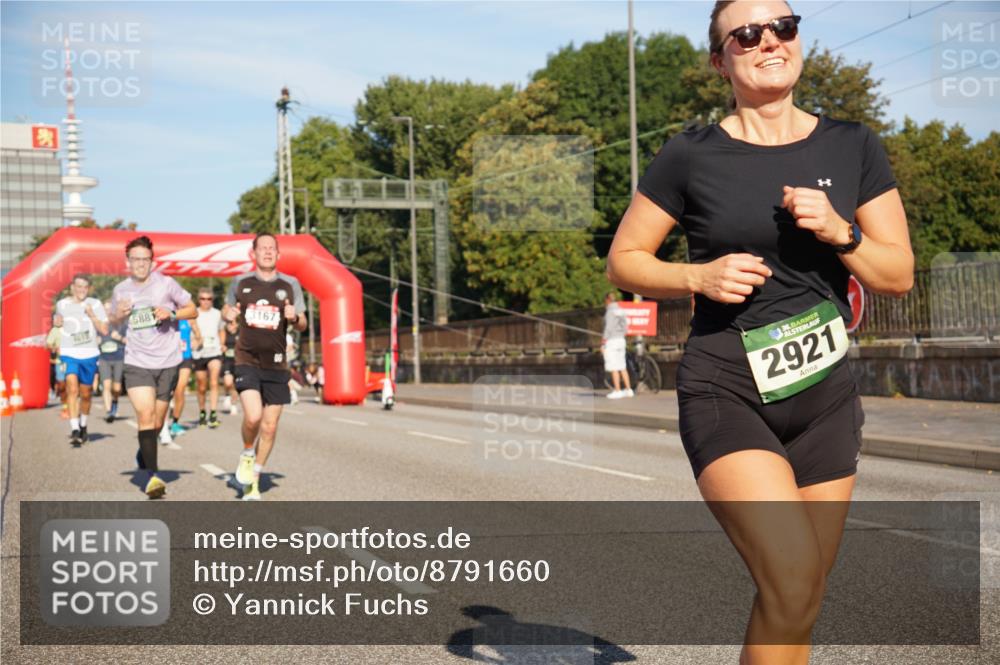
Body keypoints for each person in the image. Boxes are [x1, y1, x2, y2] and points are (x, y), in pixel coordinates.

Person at [606, 3, 913, 663]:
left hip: (826, 395)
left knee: (798, 596)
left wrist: (843, 233)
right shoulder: (690, 154)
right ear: (721, 60)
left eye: (784, 25)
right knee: (793, 576)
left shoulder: (852, 144)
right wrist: (699, 276)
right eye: (746, 34)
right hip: (729, 388)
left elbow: (898, 273)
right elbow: (624, 259)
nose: (769, 40)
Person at [109, 236, 196, 499]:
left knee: (157, 422)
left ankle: (143, 452)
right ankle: (152, 477)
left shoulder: (166, 284)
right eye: (135, 259)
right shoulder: (121, 290)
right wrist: (119, 315)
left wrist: (172, 314)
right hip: (137, 362)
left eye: (144, 259)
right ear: (128, 262)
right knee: (145, 416)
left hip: (168, 361)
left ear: (152, 261)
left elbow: (192, 310)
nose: (140, 264)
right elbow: (111, 324)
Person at [223, 233, 307, 501]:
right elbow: (227, 312)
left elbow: (303, 322)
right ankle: (248, 451)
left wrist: (296, 319)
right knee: (253, 417)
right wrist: (228, 315)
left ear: (278, 254)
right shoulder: (240, 282)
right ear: (254, 253)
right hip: (247, 359)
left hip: (278, 365)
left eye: (272, 248)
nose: (268, 252)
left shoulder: (290, 284)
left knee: (270, 427)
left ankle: (253, 479)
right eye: (263, 248)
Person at [53, 274, 109, 445]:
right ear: (72, 287)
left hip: (89, 354)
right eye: (78, 286)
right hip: (69, 352)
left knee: (86, 394)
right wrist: (56, 322)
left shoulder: (96, 304)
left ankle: (83, 425)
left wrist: (92, 315)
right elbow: (57, 323)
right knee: (72, 388)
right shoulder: (62, 304)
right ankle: (74, 428)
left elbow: (104, 330)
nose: (82, 290)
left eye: (85, 287)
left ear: (89, 288)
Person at [191, 287, 224, 428]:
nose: (206, 301)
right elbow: (188, 330)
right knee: (201, 386)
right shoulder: (193, 313)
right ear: (199, 300)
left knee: (214, 381)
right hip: (198, 353)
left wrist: (222, 344)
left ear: (212, 300)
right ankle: (203, 411)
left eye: (209, 299)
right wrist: (194, 341)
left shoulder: (217, 314)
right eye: (203, 299)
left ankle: (214, 413)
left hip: (214, 351)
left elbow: (221, 330)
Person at [165, 318, 196, 442]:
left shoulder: (189, 318)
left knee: (180, 390)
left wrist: (196, 341)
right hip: (169, 358)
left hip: (185, 358)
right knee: (167, 392)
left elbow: (198, 336)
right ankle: (162, 425)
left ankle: (175, 424)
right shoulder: (166, 316)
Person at [97, 300, 127, 423]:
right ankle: (109, 412)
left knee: (116, 388)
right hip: (104, 359)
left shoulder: (121, 324)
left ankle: (115, 402)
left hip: (119, 358)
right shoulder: (98, 325)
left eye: (110, 309)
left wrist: (119, 337)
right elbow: (92, 339)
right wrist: (96, 340)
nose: (107, 311)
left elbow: (129, 341)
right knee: (106, 386)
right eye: (105, 309)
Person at [601, 291, 633, 399]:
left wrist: (603, 341)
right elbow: (625, 327)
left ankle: (617, 390)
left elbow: (608, 328)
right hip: (621, 339)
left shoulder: (610, 311)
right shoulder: (621, 310)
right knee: (622, 366)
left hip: (612, 341)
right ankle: (629, 389)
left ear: (608, 300)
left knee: (613, 366)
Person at [220, 317, 240, 415]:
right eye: (228, 324)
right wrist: (222, 346)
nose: (230, 326)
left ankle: (233, 404)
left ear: (237, 324)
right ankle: (227, 395)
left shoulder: (241, 334)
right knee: (228, 382)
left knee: (235, 385)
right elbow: (219, 343)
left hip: (238, 362)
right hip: (227, 361)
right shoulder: (224, 334)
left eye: (232, 323)